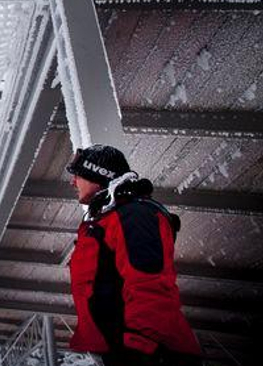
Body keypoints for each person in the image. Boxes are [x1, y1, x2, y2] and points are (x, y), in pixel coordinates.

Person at [66, 144, 203, 366]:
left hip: (151, 353)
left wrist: (140, 347)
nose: (73, 182)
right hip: (122, 349)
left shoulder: (134, 215)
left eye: (78, 176)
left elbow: (149, 284)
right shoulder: (107, 219)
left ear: (98, 174)